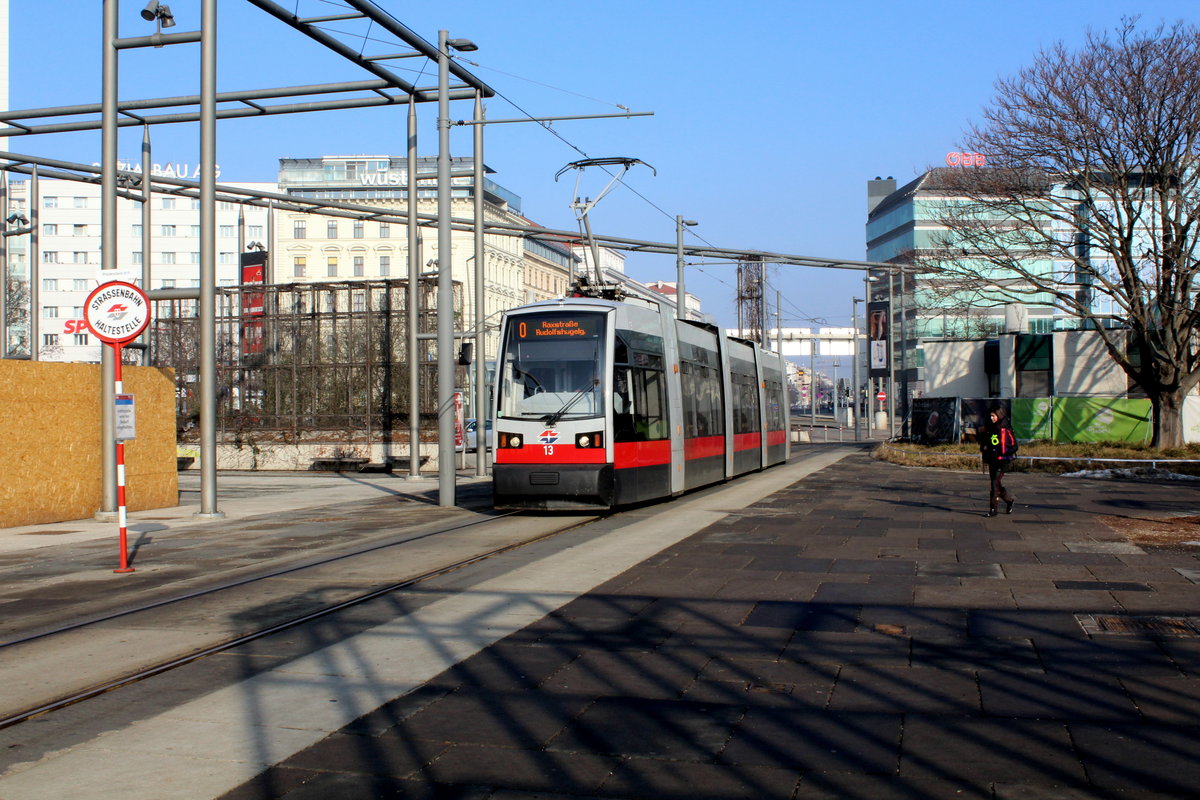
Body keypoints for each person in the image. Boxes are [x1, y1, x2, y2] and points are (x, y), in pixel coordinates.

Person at [979, 406, 1018, 516]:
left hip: (1002, 461)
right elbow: (986, 442)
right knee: (996, 483)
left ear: (999, 415)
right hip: (992, 460)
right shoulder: (990, 428)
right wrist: (984, 448)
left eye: (993, 416)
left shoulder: (1006, 429)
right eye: (990, 416)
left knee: (994, 483)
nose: (991, 418)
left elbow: (1015, 446)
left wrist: (1003, 452)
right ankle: (1009, 500)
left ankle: (993, 509)